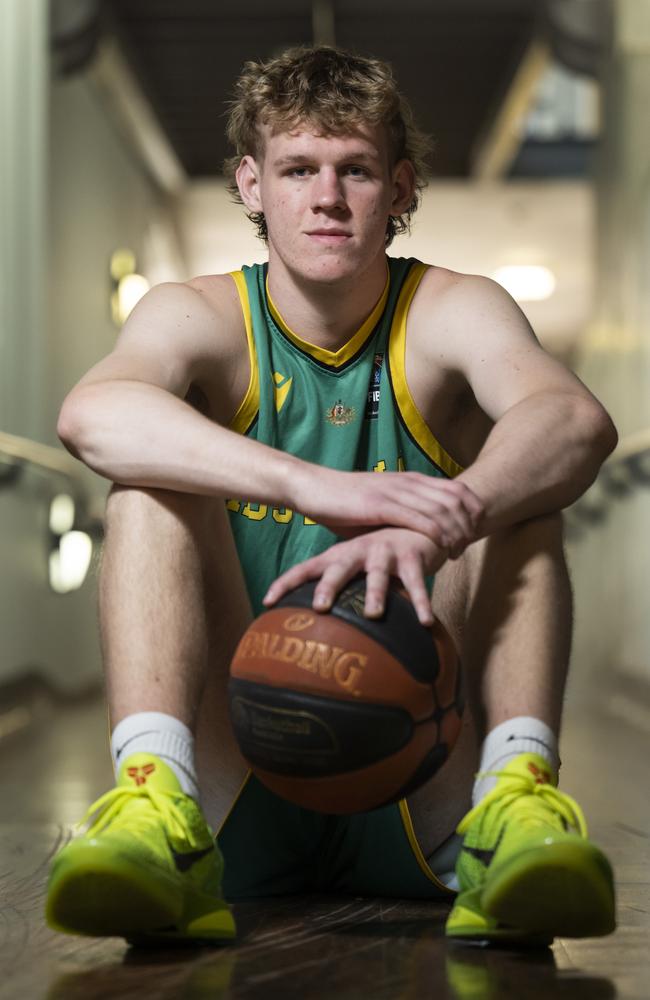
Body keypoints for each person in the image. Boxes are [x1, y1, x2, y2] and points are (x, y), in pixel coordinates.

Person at [45, 45, 618, 947]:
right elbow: (91, 414)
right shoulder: (197, 313)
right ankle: (157, 806)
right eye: (298, 169)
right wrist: (323, 488)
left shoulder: (451, 309)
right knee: (144, 489)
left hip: (424, 764)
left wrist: (445, 518)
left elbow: (575, 422)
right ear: (252, 183)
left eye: (355, 170)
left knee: (524, 497)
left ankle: (514, 801)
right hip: (239, 770)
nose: (327, 196)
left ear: (398, 188)